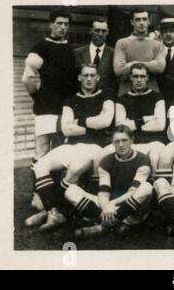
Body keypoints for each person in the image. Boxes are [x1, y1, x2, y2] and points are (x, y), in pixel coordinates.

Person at [25, 64, 114, 232]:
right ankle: (54, 212)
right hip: (71, 145)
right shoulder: (70, 100)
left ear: (97, 78)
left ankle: (51, 209)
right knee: (40, 165)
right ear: (79, 77)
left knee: (74, 169)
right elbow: (66, 129)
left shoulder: (106, 97)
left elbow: (105, 121)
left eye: (92, 75)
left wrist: (78, 122)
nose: (89, 79)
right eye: (85, 75)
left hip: (94, 147)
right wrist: (92, 124)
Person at [22, 9, 79, 209]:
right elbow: (27, 78)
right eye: (59, 23)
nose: (63, 27)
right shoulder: (40, 47)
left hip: (65, 107)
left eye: (66, 24)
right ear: (51, 25)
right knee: (42, 149)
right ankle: (37, 194)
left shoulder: (69, 48)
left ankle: (52, 194)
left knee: (58, 150)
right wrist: (38, 96)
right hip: (46, 107)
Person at [67, 125, 154, 239]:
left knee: (146, 187)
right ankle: (116, 224)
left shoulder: (142, 159)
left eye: (124, 140)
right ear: (112, 143)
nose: (121, 145)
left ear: (132, 140)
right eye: (117, 141)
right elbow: (104, 193)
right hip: (110, 206)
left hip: (131, 207)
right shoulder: (106, 160)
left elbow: (133, 191)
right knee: (70, 191)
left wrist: (112, 204)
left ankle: (103, 226)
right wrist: (106, 207)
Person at [115, 63, 166, 178]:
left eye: (142, 77)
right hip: (132, 142)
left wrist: (131, 123)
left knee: (154, 158)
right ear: (130, 78)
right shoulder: (122, 99)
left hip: (154, 142)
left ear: (147, 77)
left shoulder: (157, 97)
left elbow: (159, 125)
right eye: (136, 76)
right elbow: (120, 128)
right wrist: (146, 119)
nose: (139, 80)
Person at [113, 8, 167, 96]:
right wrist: (151, 64)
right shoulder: (122, 43)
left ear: (149, 21)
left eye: (144, 19)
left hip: (151, 92)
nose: (141, 22)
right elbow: (119, 70)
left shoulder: (157, 44)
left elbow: (160, 67)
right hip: (127, 92)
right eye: (138, 19)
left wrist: (133, 63)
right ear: (132, 22)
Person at [74, 17, 118, 99]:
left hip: (106, 99)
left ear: (108, 32)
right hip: (83, 99)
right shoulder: (78, 53)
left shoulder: (114, 53)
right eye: (97, 30)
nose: (100, 34)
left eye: (103, 31)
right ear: (91, 31)